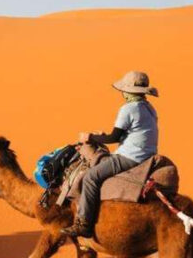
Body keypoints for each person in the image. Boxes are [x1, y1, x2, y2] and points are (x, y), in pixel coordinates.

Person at [60, 71, 160, 238]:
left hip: (131, 157)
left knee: (91, 177)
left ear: (128, 92)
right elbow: (128, 133)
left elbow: (114, 137)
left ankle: (84, 224)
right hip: (147, 154)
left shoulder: (128, 109)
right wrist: (102, 136)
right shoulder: (148, 107)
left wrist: (90, 137)